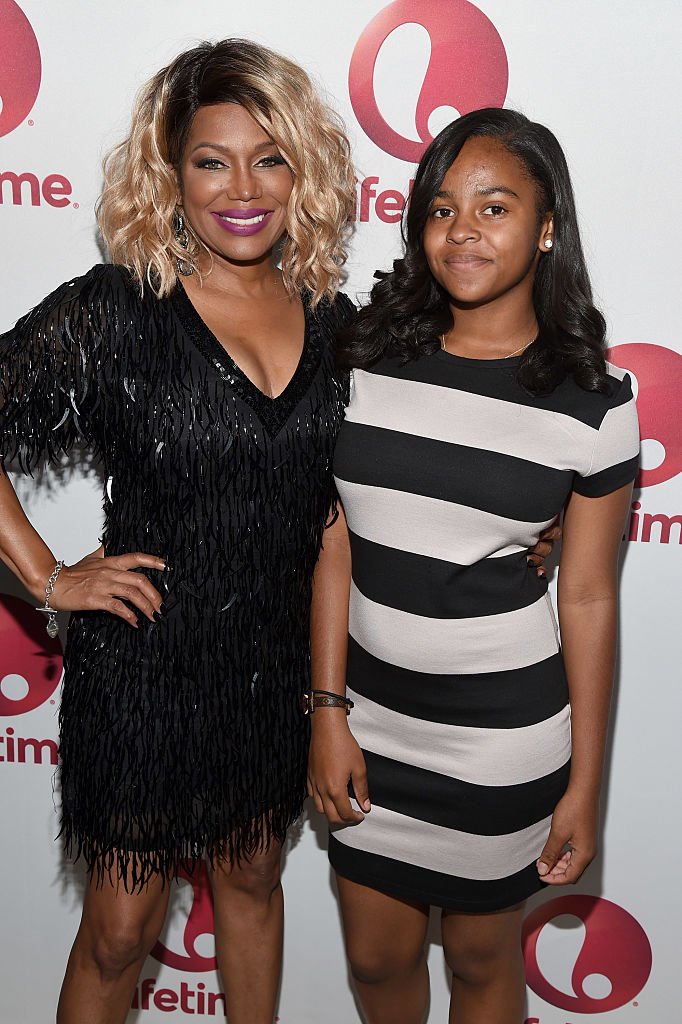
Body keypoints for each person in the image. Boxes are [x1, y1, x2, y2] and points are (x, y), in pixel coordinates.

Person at [0, 39, 356, 1024]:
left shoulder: (334, 326)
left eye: (269, 157)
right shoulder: (117, 312)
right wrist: (42, 573)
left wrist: (325, 703)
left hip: (269, 676)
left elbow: (338, 516)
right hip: (142, 677)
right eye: (211, 159)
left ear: (302, 171)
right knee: (118, 934)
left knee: (251, 887)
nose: (241, 186)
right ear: (170, 171)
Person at [307, 108, 639, 1024]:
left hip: (501, 746)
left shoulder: (593, 405)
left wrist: (586, 787)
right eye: (443, 207)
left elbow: (588, 592)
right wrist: (328, 711)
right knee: (375, 967)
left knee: (484, 975)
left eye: (494, 207)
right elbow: (332, 541)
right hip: (369, 725)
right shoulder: (364, 360)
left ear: (545, 228)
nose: (463, 230)